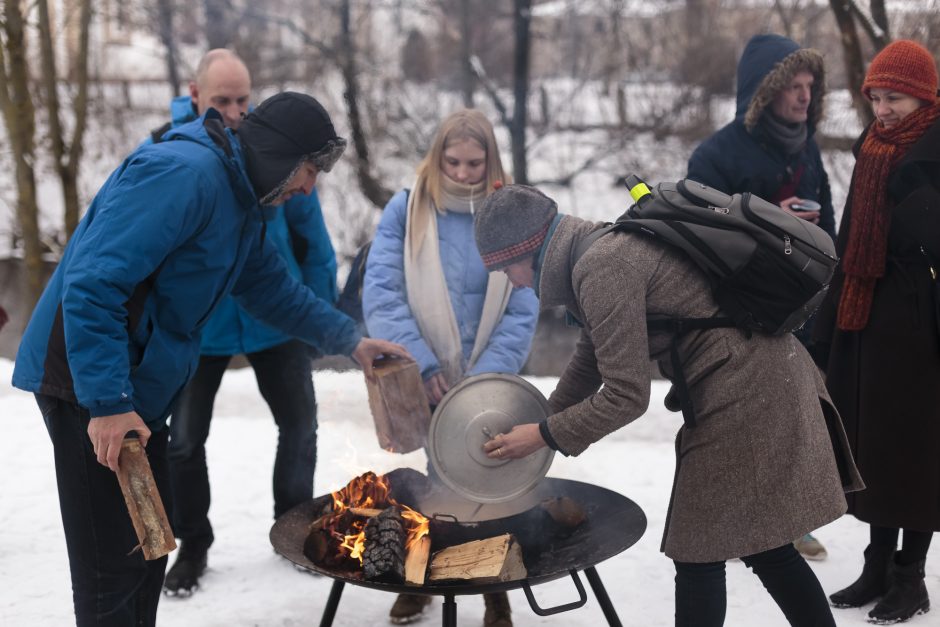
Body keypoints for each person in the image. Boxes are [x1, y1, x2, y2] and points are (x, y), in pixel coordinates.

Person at [11, 91, 408, 626]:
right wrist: (106, 402)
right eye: (309, 170)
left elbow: (270, 288)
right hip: (87, 386)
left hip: (135, 391)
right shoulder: (183, 176)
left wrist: (350, 340)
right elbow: (92, 284)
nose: (309, 188)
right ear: (278, 154)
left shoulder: (240, 198)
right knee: (111, 572)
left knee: (148, 550)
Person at [471, 184, 863, 627]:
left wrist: (543, 436)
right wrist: (541, 420)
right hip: (761, 376)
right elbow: (591, 357)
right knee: (765, 546)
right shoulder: (594, 249)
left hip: (748, 390)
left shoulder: (602, 266)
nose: (512, 282)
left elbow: (626, 396)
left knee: (698, 552)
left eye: (506, 270)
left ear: (528, 250)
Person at [149, 50, 342, 598]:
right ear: (194, 94)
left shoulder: (278, 153)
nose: (235, 111)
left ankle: (293, 527)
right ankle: (194, 545)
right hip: (200, 327)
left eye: (243, 99)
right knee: (184, 441)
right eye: (222, 101)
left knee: (300, 427)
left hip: (274, 318)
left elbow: (315, 245)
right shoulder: (169, 154)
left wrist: (317, 320)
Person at [363, 109, 539, 626]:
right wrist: (417, 361)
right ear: (437, 158)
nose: (463, 174)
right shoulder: (406, 208)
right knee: (427, 485)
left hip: (484, 382)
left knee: (486, 479)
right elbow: (383, 291)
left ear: (492, 164)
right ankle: (418, 579)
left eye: (475, 164)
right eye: (454, 161)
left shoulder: (510, 212)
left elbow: (522, 303)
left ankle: (493, 589)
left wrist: (485, 378)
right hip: (421, 375)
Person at [687, 32, 835, 560]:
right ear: (762, 92)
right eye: (791, 86)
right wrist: (776, 226)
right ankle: (734, 522)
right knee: (741, 426)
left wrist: (824, 287)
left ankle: (792, 521)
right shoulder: (715, 155)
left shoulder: (809, 149)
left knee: (798, 421)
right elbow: (700, 241)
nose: (803, 97)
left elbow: (830, 231)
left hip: (802, 308)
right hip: (737, 314)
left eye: (809, 86)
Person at [812, 40, 940, 624]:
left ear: (923, 95)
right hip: (867, 314)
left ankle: (910, 579)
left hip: (919, 321)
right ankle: (876, 565)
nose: (883, 109)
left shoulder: (934, 148)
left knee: (915, 452)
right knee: (874, 447)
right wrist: (835, 301)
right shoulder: (872, 146)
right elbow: (852, 235)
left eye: (894, 98)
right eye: (877, 98)